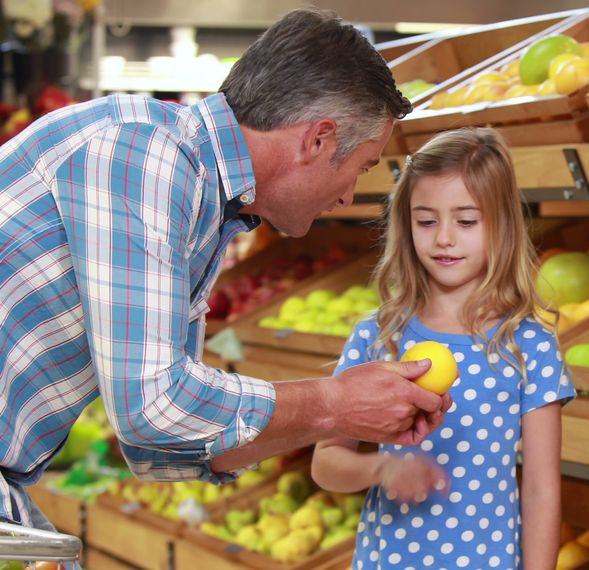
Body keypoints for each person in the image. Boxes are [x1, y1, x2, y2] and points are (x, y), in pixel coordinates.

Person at [0, 7, 450, 540]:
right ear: (318, 141)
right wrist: (334, 401)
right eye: (363, 166)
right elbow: (153, 405)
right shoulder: (144, 155)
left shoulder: (205, 201)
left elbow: (156, 447)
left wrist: (341, 417)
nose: (350, 194)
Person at [311, 128, 576, 569]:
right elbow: (326, 463)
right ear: (405, 223)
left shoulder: (528, 345)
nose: (444, 238)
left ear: (503, 225)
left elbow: (541, 490)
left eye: (466, 221)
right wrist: (380, 469)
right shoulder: (380, 337)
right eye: (426, 220)